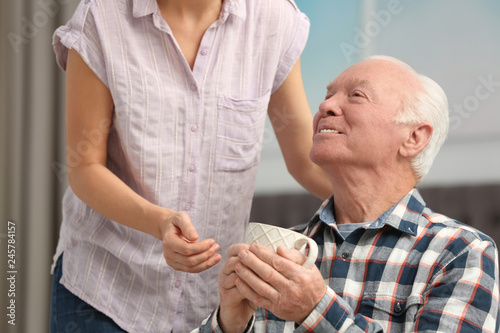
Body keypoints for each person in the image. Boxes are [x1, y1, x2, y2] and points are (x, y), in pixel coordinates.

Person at [48, 0, 333, 332]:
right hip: (106, 292)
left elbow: (305, 161)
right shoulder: (102, 15)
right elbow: (84, 167)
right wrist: (159, 222)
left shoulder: (272, 19)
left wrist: (396, 203)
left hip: (213, 305)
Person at [197, 56, 500, 332]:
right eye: (328, 95)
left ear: (413, 137)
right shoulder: (281, 251)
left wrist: (315, 309)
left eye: (356, 96)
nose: (326, 107)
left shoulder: (461, 253)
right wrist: (228, 324)